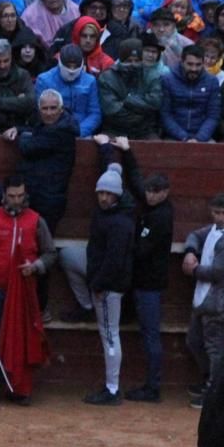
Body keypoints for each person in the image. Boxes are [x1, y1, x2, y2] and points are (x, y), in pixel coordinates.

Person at [0, 174, 53, 404]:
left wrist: (35, 266)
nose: (16, 201)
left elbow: (50, 253)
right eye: (12, 196)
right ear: (4, 195)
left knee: (21, 337)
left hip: (25, 290)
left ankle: (18, 389)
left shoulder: (36, 220)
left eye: (20, 196)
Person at [182, 192, 224, 406]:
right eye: (216, 212)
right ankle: (210, 380)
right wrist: (191, 251)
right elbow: (195, 235)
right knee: (195, 342)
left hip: (220, 303)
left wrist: (193, 270)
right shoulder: (217, 229)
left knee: (214, 348)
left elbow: (218, 271)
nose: (219, 217)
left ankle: (216, 389)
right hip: (207, 300)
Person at [82, 160, 137, 406]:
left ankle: (112, 388)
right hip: (108, 282)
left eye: (108, 194)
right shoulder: (113, 215)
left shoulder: (118, 221)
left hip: (109, 286)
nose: (104, 197)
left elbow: (114, 260)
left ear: (117, 195)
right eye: (101, 193)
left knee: (110, 336)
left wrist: (98, 283)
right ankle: (111, 386)